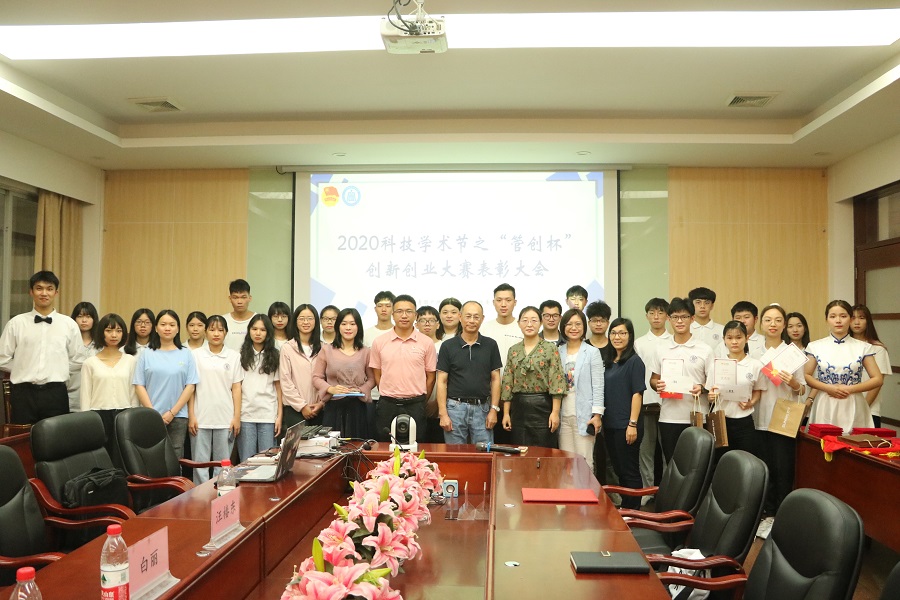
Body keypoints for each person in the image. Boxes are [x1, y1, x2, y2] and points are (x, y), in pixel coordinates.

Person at [0, 271, 80, 424]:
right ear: (31, 292)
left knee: (55, 435)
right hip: (23, 393)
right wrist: (24, 367)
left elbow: (78, 359)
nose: (44, 293)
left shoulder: (69, 324)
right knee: (23, 436)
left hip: (56, 393)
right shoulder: (16, 323)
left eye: (49, 289)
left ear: (56, 292)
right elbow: (2, 358)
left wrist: (57, 368)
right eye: (39, 288)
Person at [754, 304, 806, 513]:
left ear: (784, 324)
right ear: (761, 324)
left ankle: (782, 513)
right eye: (768, 320)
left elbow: (802, 389)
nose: (772, 324)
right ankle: (764, 511)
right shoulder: (753, 351)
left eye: (777, 320)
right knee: (762, 468)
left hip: (783, 420)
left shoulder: (793, 353)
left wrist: (793, 382)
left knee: (783, 469)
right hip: (756, 417)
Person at [647, 297, 714, 462]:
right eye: (675, 317)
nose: (679, 321)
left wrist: (702, 388)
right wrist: (658, 385)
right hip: (669, 417)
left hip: (698, 417)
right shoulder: (660, 348)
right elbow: (653, 380)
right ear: (669, 319)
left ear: (692, 319)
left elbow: (713, 383)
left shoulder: (705, 349)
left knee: (698, 464)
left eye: (684, 317)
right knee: (673, 464)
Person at [805, 300, 883, 434]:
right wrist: (828, 388)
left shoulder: (864, 347)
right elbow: (806, 375)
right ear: (826, 320)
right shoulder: (815, 346)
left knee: (854, 442)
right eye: (833, 316)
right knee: (823, 442)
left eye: (843, 316)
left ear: (850, 319)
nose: (838, 320)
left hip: (853, 402)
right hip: (825, 402)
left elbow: (877, 379)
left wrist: (850, 389)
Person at [369, 294, 437, 441]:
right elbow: (377, 373)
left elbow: (431, 377)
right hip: (387, 404)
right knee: (385, 445)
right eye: (399, 311)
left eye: (409, 311)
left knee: (416, 446)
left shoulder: (426, 342)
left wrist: (421, 400)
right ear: (393, 314)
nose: (404, 316)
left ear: (416, 315)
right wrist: (388, 393)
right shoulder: (379, 342)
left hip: (416, 405)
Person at [133, 309, 198, 459]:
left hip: (178, 416)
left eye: (172, 325)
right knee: (151, 457)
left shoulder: (186, 353)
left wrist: (172, 413)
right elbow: (139, 385)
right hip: (151, 416)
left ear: (178, 329)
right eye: (163, 324)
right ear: (156, 328)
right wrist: (153, 413)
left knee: (175, 457)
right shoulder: (146, 353)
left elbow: (190, 386)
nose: (167, 328)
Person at [436, 300, 503, 445]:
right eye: (468, 316)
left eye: (476, 317)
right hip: (455, 409)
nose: (472, 321)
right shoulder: (448, 346)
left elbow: (496, 379)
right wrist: (443, 413)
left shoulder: (491, 345)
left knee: (484, 454)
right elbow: (441, 381)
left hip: (483, 409)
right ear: (460, 317)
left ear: (482, 319)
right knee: (455, 454)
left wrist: (494, 410)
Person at [500, 306, 567, 448]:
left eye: (534, 320)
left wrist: (555, 413)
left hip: (543, 407)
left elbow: (556, 381)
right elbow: (507, 382)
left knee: (543, 453)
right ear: (519, 323)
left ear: (541, 323)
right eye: (525, 320)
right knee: (520, 451)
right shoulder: (513, 350)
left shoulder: (550, 348)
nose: (529, 324)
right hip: (519, 408)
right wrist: (506, 413)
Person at [189, 315, 243, 484]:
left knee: (223, 464)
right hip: (200, 418)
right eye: (212, 330)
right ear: (206, 332)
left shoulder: (234, 356)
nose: (216, 333)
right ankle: (200, 496)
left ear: (226, 332)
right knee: (200, 464)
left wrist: (236, 417)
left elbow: (236, 388)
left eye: (220, 330)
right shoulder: (195, 355)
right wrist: (191, 415)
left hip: (225, 417)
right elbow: (191, 388)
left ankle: (221, 494)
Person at [312, 308, 375, 439]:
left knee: (358, 445)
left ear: (358, 327)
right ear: (338, 326)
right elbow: (316, 377)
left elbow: (372, 379)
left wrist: (361, 390)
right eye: (344, 323)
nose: (348, 328)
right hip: (333, 407)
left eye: (352, 324)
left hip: (358, 407)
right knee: (334, 446)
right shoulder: (327, 350)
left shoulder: (366, 352)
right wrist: (330, 389)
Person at [603, 318, 645, 509]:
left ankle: (634, 512)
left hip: (627, 426)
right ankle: (626, 509)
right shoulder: (610, 362)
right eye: (613, 333)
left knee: (630, 471)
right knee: (620, 470)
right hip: (611, 425)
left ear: (630, 335)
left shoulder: (634, 361)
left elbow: (637, 394)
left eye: (622, 333)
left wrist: (632, 424)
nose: (617, 337)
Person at [80, 313, 138, 450]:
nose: (114, 335)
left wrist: (134, 416)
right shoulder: (90, 363)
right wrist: (86, 420)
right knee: (101, 454)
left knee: (124, 454)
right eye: (109, 330)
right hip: (98, 415)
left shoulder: (130, 361)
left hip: (124, 413)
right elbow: (85, 396)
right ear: (101, 333)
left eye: (118, 331)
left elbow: (134, 394)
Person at [707, 321, 765, 457]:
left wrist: (751, 403)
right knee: (720, 460)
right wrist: (711, 397)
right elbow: (710, 393)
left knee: (745, 460)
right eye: (730, 338)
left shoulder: (755, 365)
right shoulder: (716, 364)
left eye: (738, 337)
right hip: (720, 420)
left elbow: (758, 390)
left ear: (746, 338)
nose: (734, 342)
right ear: (724, 340)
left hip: (744, 421)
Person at [556, 309, 604, 470]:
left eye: (578, 324)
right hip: (563, 415)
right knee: (566, 463)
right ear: (563, 327)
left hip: (585, 415)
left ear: (584, 327)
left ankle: (586, 487)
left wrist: (597, 415)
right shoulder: (558, 351)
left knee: (584, 462)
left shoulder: (592, 352)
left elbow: (598, 386)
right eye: (569, 324)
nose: (573, 328)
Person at [633, 298, 671, 492]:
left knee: (669, 451)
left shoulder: (673, 341)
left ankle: (668, 491)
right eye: (652, 313)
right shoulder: (639, 343)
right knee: (645, 451)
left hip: (670, 404)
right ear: (646, 316)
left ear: (667, 316)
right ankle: (646, 491)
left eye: (661, 312)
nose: (656, 317)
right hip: (646, 402)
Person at [237, 314, 282, 461]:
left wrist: (279, 416)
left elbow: (278, 387)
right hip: (246, 414)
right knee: (246, 460)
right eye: (254, 329)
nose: (258, 333)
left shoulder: (275, 355)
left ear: (268, 333)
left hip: (268, 414)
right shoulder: (240, 355)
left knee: (268, 460)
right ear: (249, 330)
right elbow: (236, 387)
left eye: (262, 330)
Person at [280, 304, 323, 431]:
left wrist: (321, 403)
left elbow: (328, 379)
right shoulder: (287, 348)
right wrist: (302, 406)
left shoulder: (324, 348)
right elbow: (285, 381)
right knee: (299, 443)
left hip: (319, 409)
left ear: (316, 321)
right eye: (302, 318)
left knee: (319, 443)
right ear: (295, 321)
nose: (306, 322)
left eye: (310, 318)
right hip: (294, 409)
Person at [850, 304, 892, 428]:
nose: (857, 322)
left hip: (869, 410)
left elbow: (877, 384)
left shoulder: (878, 349)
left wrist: (863, 408)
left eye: (861, 318)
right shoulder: (843, 347)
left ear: (868, 321)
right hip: (845, 408)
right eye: (853, 318)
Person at [479, 283, 523, 369]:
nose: (503, 304)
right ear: (493, 302)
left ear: (515, 302)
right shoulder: (483, 329)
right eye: (499, 300)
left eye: (508, 300)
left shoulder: (523, 328)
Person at [416, 305, 443, 442]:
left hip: (439, 404)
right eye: (422, 320)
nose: (427, 324)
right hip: (416, 402)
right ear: (416, 324)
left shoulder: (445, 346)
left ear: (438, 324)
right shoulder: (412, 345)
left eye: (431, 320)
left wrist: (437, 401)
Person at [67, 301, 99, 412]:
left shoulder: (101, 345)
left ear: (94, 319)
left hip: (95, 398)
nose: (84, 320)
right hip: (71, 395)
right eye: (80, 316)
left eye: (88, 316)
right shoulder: (68, 342)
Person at [223, 279, 255, 352]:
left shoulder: (258, 320)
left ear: (250, 298)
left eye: (243, 297)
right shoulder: (222, 320)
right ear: (230, 299)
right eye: (235, 297)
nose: (239, 302)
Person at [688, 287, 724, 351]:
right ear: (691, 305)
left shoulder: (722, 330)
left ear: (712, 306)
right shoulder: (686, 329)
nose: (702, 306)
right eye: (698, 302)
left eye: (707, 303)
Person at [585, 300, 615, 365]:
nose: (598, 324)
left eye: (602, 320)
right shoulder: (583, 346)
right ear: (589, 323)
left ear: (608, 323)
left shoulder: (614, 346)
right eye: (594, 320)